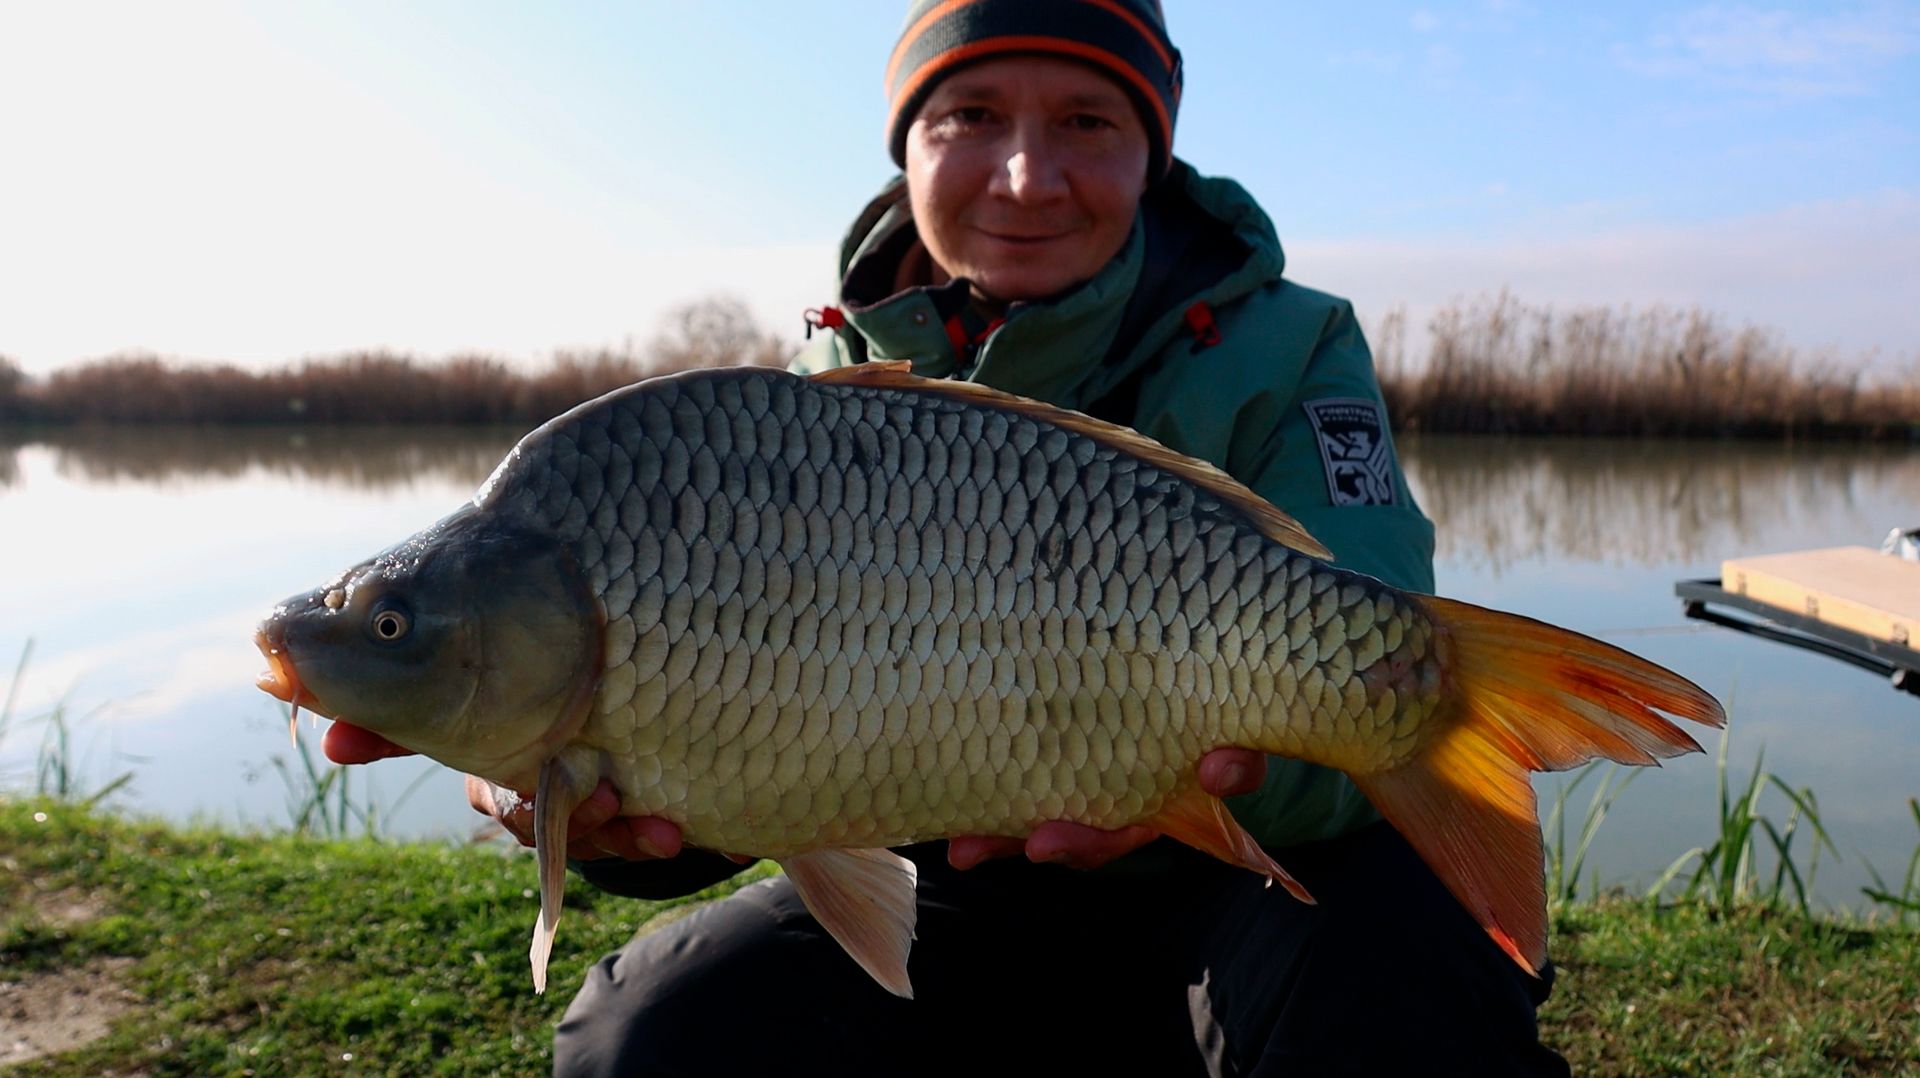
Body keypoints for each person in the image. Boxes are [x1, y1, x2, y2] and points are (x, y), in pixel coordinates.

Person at [329, 2, 1571, 1073]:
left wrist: (1190, 792)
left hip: (1252, 884)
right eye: (968, 115)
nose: (1025, 175)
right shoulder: (808, 394)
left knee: (1400, 971)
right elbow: (756, 759)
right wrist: (598, 811)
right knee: (646, 1040)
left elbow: (1376, 628)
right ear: (907, 147)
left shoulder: (1288, 345)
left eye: (1087, 121)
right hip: (964, 892)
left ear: (1155, 150)